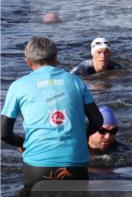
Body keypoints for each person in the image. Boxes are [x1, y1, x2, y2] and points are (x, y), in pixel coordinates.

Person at [1, 37, 103, 188]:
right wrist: (81, 136)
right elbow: (97, 120)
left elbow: (4, 133)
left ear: (28, 61)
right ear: (56, 58)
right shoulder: (75, 81)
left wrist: (23, 143)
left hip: (37, 166)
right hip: (75, 164)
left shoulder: (18, 86)